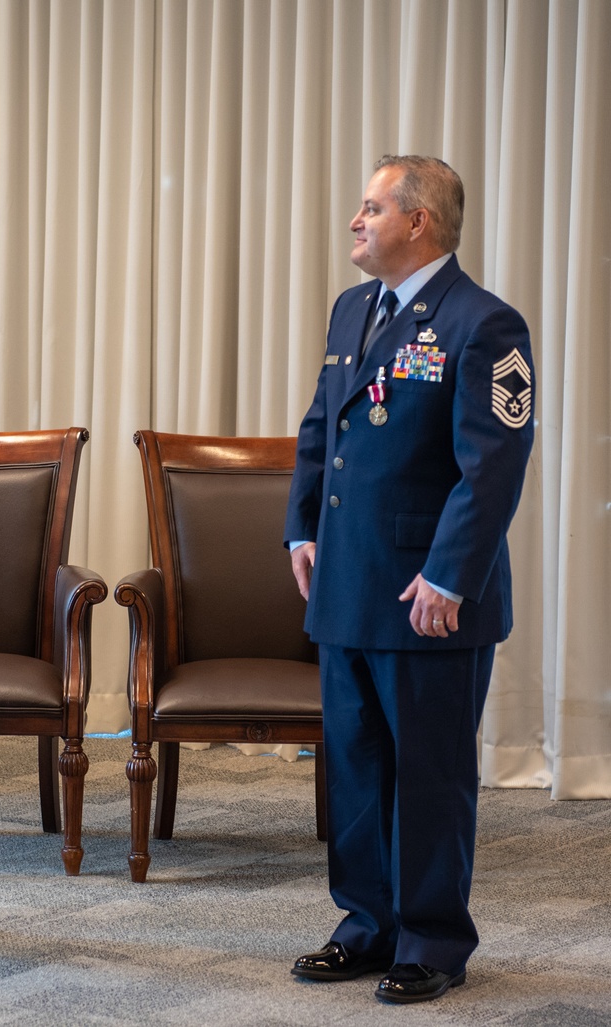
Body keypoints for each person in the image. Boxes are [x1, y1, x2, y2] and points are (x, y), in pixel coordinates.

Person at [284, 155, 534, 1004]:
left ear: (417, 219)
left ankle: (431, 938)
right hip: (347, 584)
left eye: (370, 207)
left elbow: (492, 468)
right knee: (355, 768)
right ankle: (366, 925)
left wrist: (449, 576)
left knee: (428, 774)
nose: (355, 221)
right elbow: (321, 426)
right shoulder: (352, 309)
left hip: (430, 597)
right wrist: (302, 526)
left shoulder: (484, 323)